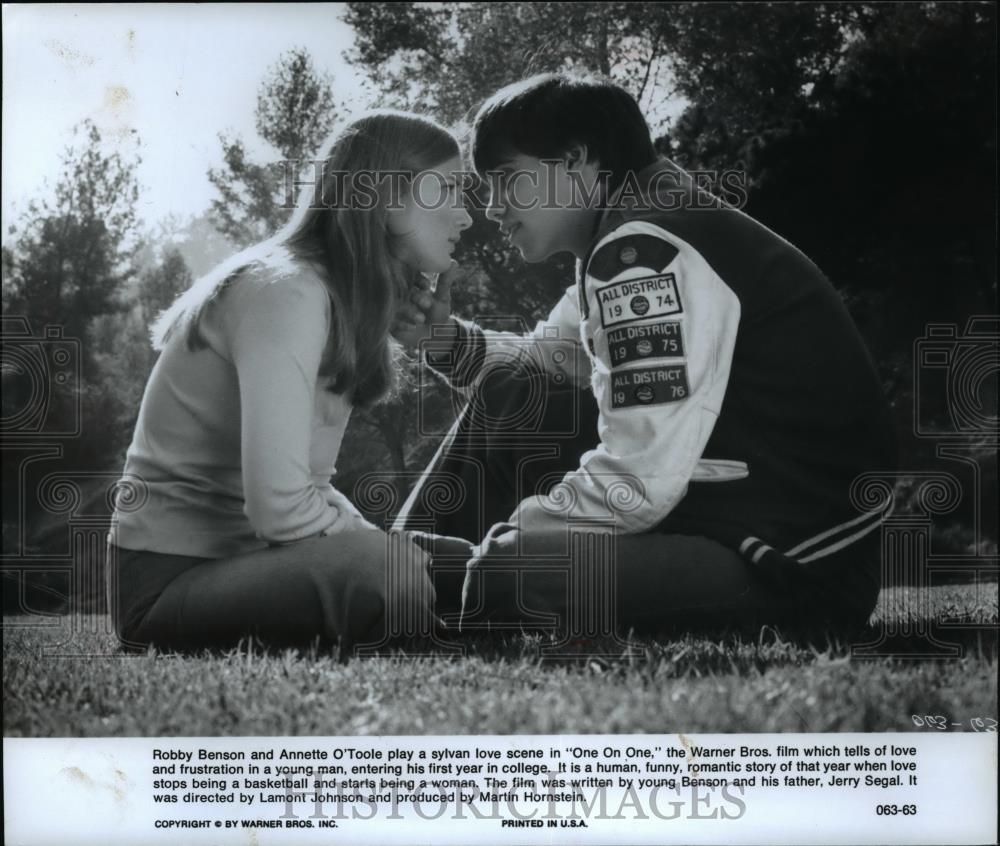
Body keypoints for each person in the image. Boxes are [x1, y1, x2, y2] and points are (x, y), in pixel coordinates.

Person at [393, 74, 897, 635]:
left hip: (789, 564)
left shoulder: (645, 248)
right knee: (508, 395)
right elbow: (541, 364)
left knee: (508, 573)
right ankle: (395, 575)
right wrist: (438, 341)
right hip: (730, 518)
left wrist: (521, 530)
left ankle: (401, 581)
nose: (492, 208)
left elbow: (638, 481)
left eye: (506, 181)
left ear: (576, 160)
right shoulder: (634, 229)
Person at [107, 110, 472, 653]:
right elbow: (279, 507)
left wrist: (393, 550)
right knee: (390, 571)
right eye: (448, 191)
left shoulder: (334, 299)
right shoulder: (286, 291)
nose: (464, 217)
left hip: (255, 562)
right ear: (390, 199)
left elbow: (311, 486)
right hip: (168, 585)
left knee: (471, 563)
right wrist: (382, 550)